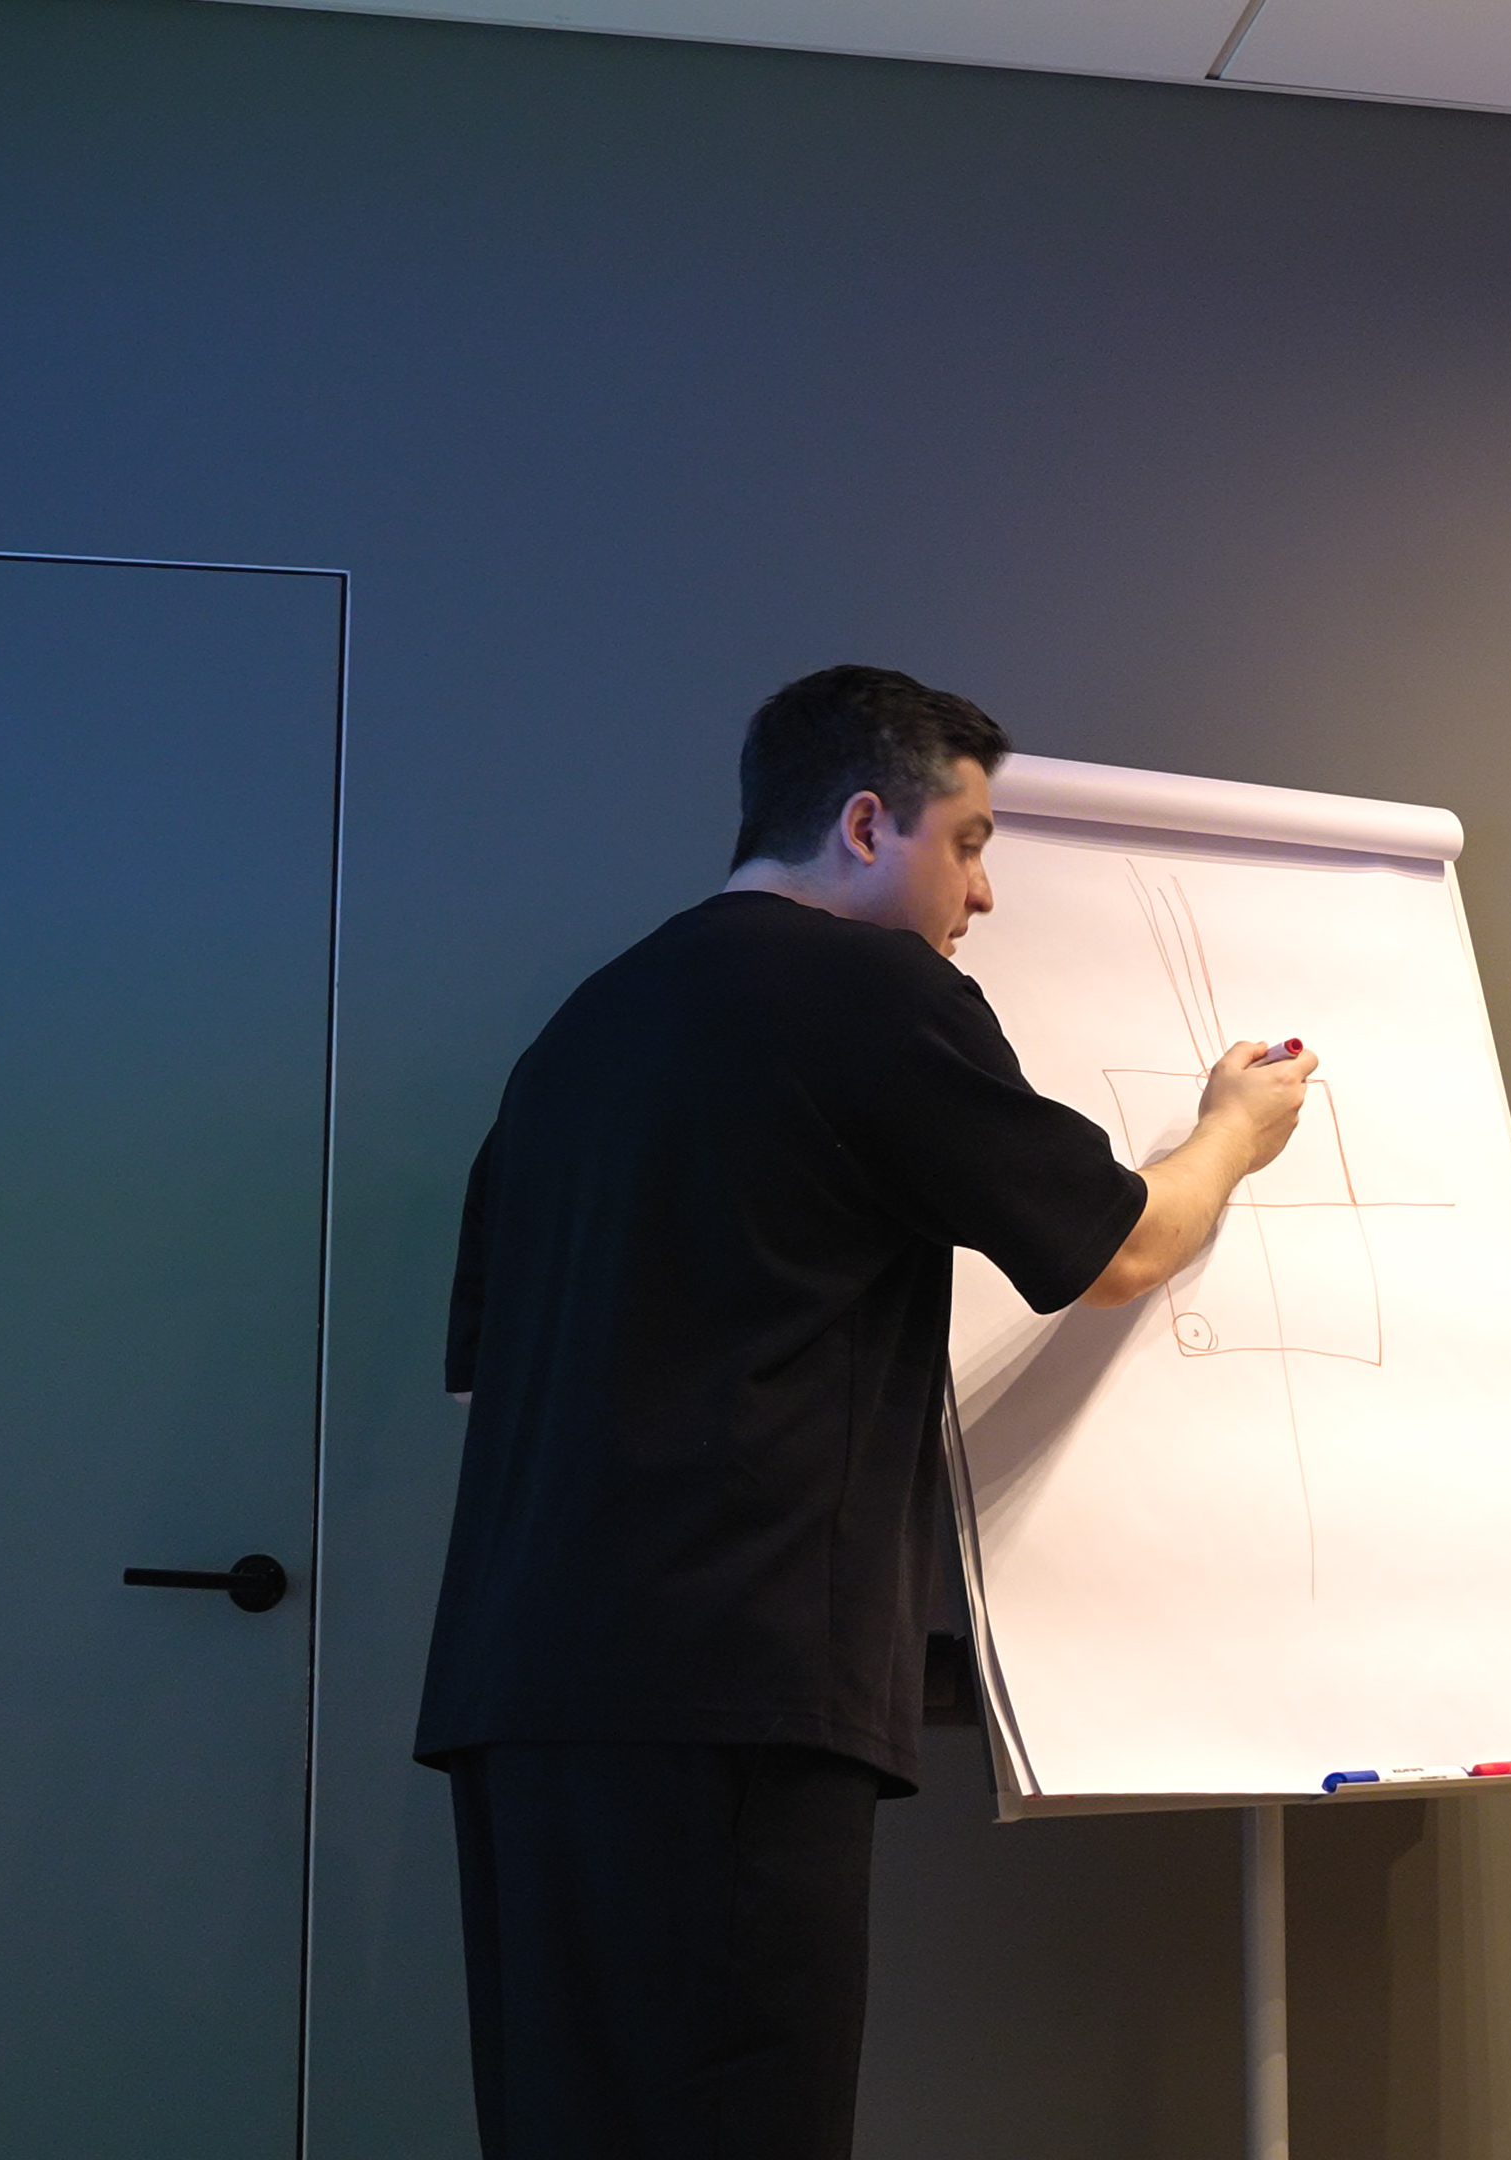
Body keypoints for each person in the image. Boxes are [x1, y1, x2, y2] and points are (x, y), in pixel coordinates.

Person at [419, 665, 1316, 2158]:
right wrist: (1231, 1131)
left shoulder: (577, 1035)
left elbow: (483, 1374)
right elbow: (1117, 1248)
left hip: (520, 1698)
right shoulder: (865, 991)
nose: (982, 894)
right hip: (724, 1697)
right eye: (966, 843)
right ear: (861, 825)